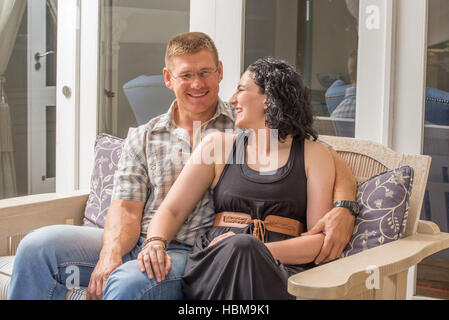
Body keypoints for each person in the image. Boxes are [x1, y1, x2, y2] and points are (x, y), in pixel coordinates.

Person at [8, 32, 356, 300]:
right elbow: (128, 208)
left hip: (190, 250)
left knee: (129, 282)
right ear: (168, 78)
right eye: (186, 74)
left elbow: (317, 153)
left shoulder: (240, 129)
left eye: (206, 72)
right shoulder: (144, 136)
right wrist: (113, 253)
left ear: (219, 72)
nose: (197, 83)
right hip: (139, 239)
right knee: (38, 246)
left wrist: (345, 206)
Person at [139, 57, 336, 299]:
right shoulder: (217, 146)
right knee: (240, 249)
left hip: (280, 269)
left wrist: (254, 250)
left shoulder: (314, 154)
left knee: (243, 247)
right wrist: (155, 242)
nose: (232, 100)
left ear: (269, 99)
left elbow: (318, 242)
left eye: (241, 90)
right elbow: (173, 210)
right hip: (215, 264)